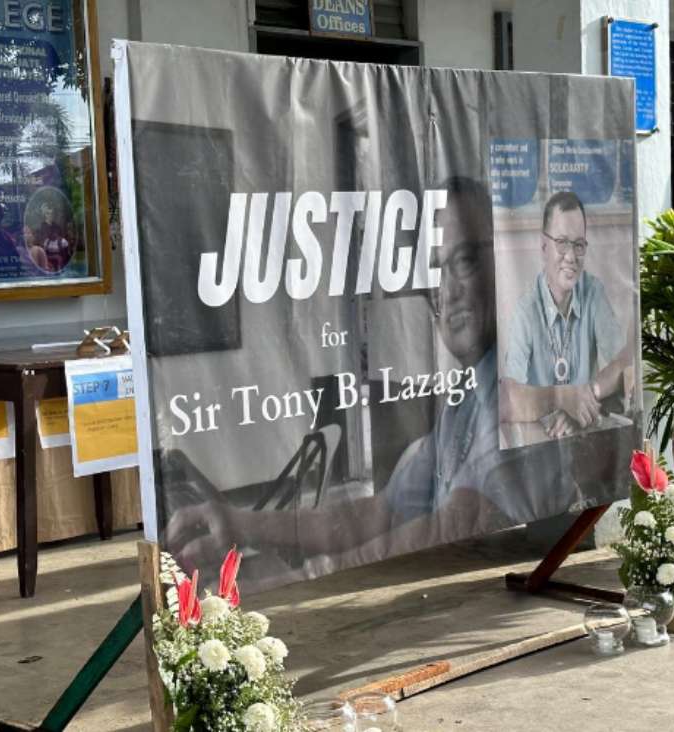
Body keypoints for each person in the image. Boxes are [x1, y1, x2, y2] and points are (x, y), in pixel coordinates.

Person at [165, 177, 571, 573]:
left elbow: (451, 528)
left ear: (505, 261)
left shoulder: (526, 388)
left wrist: (298, 579)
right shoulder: (463, 402)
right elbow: (378, 514)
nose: (448, 292)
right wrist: (242, 525)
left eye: (463, 261)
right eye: (435, 273)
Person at [500, 191, 635, 438]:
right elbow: (507, 400)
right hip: (541, 442)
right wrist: (561, 398)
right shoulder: (525, 311)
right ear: (543, 247)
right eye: (562, 243)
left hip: (583, 434)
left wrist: (583, 400)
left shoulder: (593, 292)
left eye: (578, 245)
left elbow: (624, 365)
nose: (571, 257)